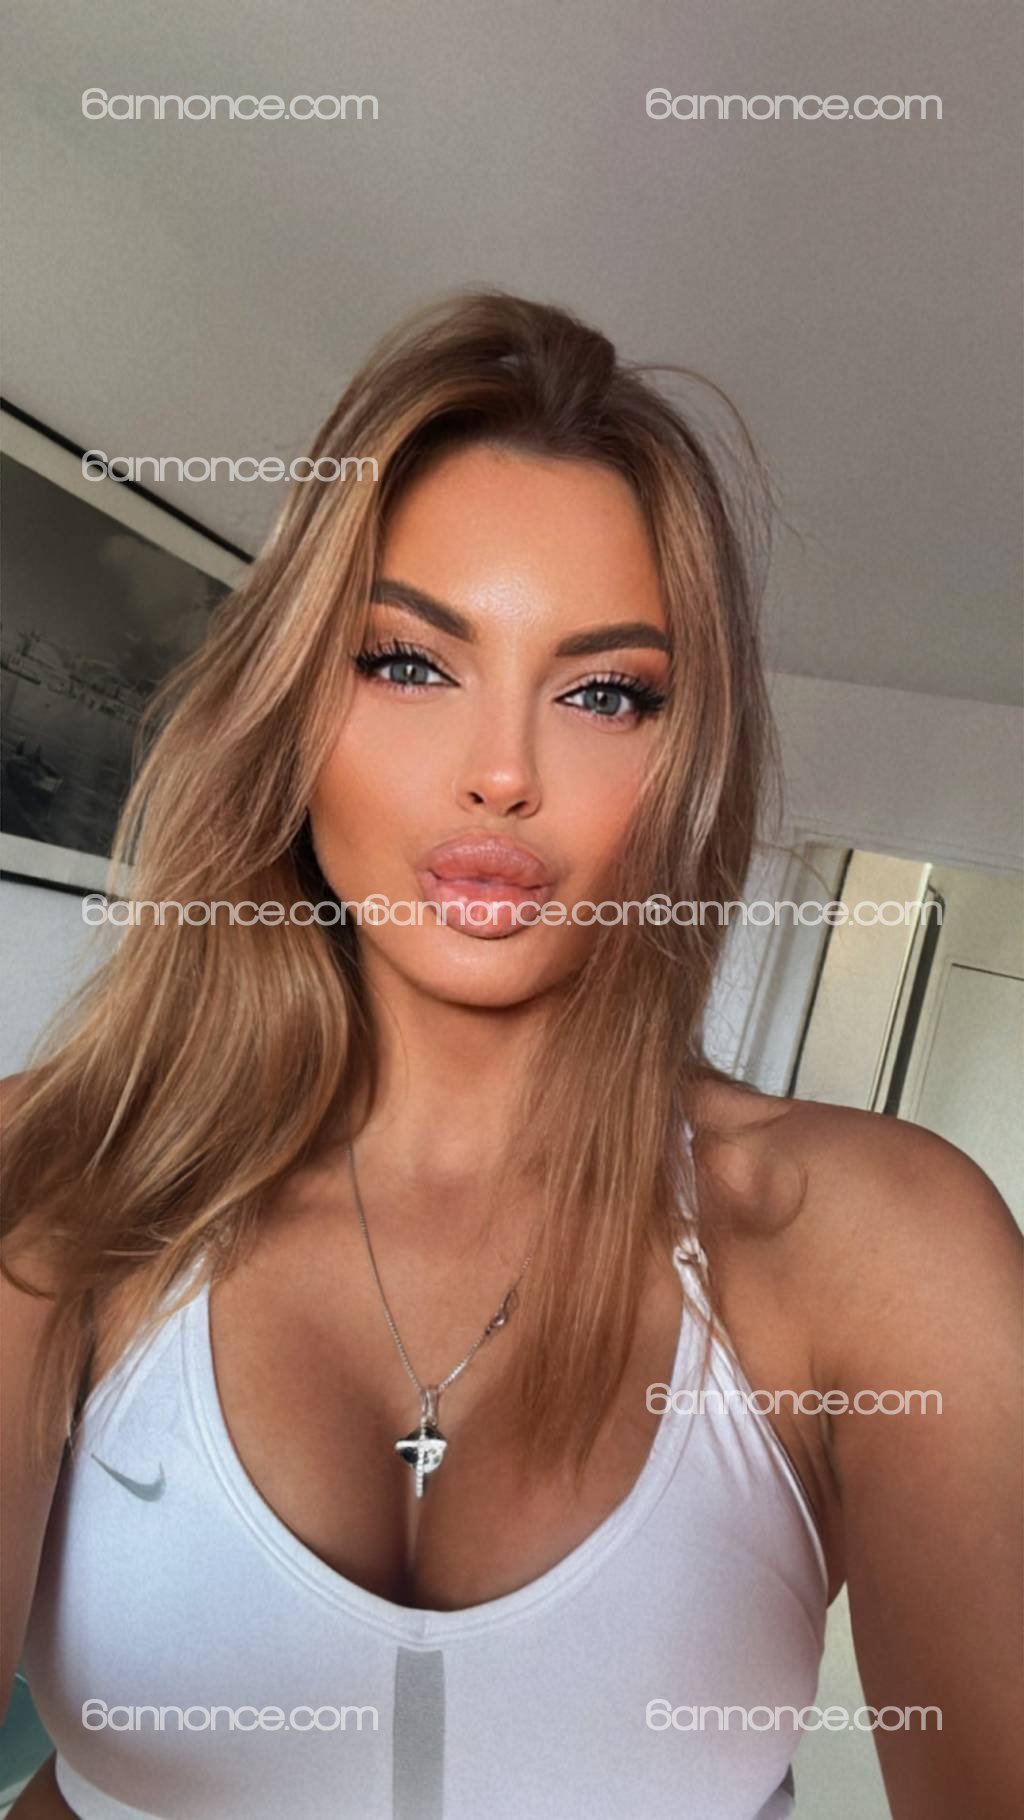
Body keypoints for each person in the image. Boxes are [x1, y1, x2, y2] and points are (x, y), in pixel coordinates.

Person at [1, 291, 1020, 1819]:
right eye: (409, 662)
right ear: (290, 705)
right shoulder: (54, 1177)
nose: (501, 773)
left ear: (690, 761)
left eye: (605, 693)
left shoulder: (880, 1247)